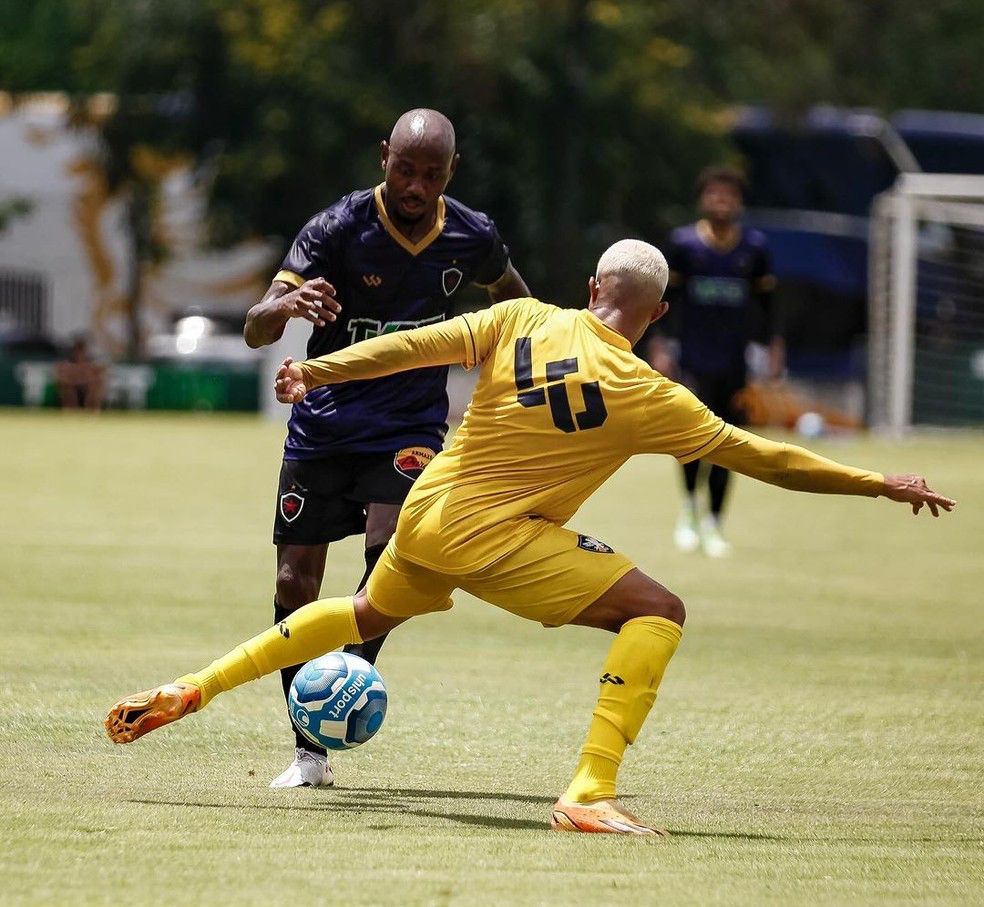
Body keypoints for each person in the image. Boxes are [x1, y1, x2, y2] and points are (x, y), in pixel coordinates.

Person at [105, 240, 954, 836]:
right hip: (495, 538)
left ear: (590, 286)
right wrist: (877, 481)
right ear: (658, 312)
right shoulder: (651, 394)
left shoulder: (520, 316)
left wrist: (316, 367)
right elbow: (765, 457)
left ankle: (193, 687)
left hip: (426, 512)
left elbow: (412, 346)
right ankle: (590, 789)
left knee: (362, 613)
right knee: (658, 610)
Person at [242, 108, 529, 789]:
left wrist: (525, 356)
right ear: (383, 158)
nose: (416, 186)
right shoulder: (336, 227)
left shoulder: (471, 234)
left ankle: (335, 692)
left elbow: (518, 305)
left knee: (390, 561)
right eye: (405, 170)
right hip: (324, 422)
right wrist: (285, 307)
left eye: (431, 174)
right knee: (293, 582)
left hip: (408, 427)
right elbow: (256, 328)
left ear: (451, 172)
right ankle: (309, 752)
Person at [648, 165, 783, 557]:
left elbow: (768, 306)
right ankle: (689, 510)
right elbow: (664, 303)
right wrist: (660, 346)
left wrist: (773, 348)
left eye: (729, 195)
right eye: (714, 194)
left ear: (739, 202)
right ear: (702, 200)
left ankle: (714, 523)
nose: (721, 201)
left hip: (734, 362)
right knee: (692, 437)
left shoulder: (754, 249)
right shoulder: (683, 245)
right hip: (691, 360)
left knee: (728, 441)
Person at [54, 336, 105, 411]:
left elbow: (99, 375)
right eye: (77, 349)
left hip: (87, 389)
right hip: (73, 388)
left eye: (81, 349)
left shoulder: (91, 362)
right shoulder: (68, 362)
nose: (79, 353)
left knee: (97, 384)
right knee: (64, 385)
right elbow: (61, 375)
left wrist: (81, 378)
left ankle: (92, 411)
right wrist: (78, 378)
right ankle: (70, 410)